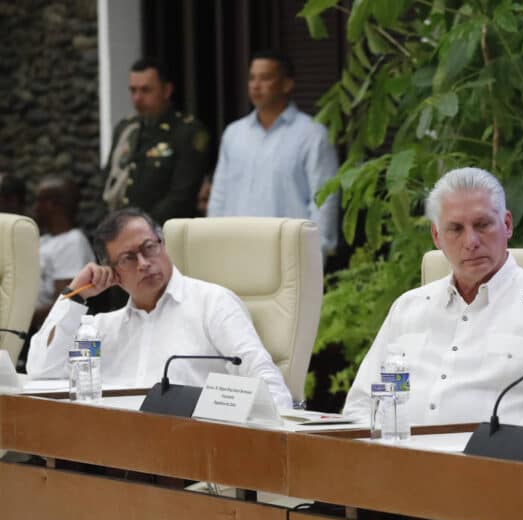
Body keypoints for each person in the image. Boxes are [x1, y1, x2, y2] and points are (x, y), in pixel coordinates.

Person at [342, 167, 523, 426]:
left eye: (482, 225)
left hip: (494, 463)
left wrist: (484, 453)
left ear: (507, 225)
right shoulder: (408, 308)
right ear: (437, 237)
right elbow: (364, 403)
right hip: (400, 459)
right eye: (455, 229)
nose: (471, 241)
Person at [27, 208, 292, 408]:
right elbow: (42, 371)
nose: (143, 263)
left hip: (193, 461)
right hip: (113, 456)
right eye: (129, 258)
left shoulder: (212, 303)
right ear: (113, 272)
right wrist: (74, 297)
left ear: (162, 243)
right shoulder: (101, 330)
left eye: (149, 247)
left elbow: (262, 376)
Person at [207, 49, 339, 259]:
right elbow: (220, 195)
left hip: (289, 255)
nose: (255, 85)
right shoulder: (234, 133)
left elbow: (325, 199)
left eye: (265, 78)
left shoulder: (312, 134)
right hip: (235, 252)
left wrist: (316, 252)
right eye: (251, 78)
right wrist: (210, 242)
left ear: (287, 84)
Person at [101, 58, 210, 225]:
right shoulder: (126, 129)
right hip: (124, 232)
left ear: (166, 90)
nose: (137, 98)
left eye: (146, 90)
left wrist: (141, 228)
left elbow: (182, 195)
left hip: (164, 234)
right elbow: (108, 180)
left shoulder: (187, 132)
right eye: (133, 90)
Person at [32, 175, 94, 326]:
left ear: (52, 204)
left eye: (38, 201)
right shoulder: (44, 240)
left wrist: (17, 320)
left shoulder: (72, 243)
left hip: (52, 335)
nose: (35, 207)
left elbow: (64, 306)